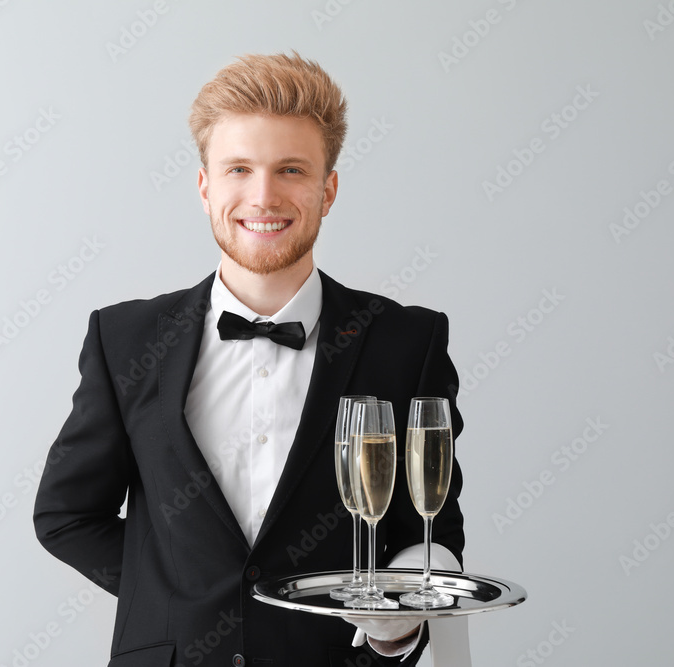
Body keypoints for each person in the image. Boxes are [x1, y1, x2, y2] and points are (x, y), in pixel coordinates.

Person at [33, 52, 467, 666]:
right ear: (205, 186)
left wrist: (390, 628)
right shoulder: (125, 337)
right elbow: (65, 514)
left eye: (291, 169)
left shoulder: (405, 341)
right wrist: (170, 596)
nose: (263, 196)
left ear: (328, 189)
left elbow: (430, 530)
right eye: (239, 168)